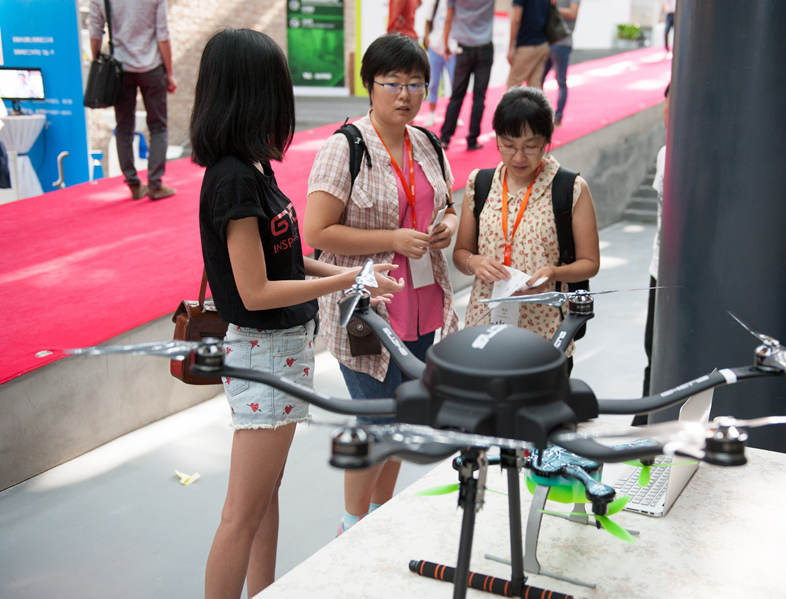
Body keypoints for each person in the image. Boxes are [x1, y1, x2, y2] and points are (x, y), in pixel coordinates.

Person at [191, 29, 400, 599]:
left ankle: (264, 590)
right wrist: (348, 280)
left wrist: (349, 277)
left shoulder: (255, 168)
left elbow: (287, 258)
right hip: (262, 352)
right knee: (241, 512)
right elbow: (255, 291)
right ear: (252, 93)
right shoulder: (233, 178)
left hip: (282, 350)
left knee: (264, 498)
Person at [304, 34, 459, 535]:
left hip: (422, 303)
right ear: (370, 86)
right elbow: (317, 231)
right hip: (365, 308)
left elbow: (450, 206)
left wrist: (446, 227)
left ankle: (380, 515)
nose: (405, 94)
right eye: (392, 83)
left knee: (406, 417)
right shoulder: (345, 146)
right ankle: (351, 526)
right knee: (375, 422)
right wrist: (391, 236)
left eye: (416, 83)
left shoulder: (427, 143)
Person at [452, 86, 599, 371]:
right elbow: (460, 253)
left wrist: (555, 273)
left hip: (545, 333)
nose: (518, 157)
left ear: (547, 141)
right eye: (508, 144)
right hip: (486, 326)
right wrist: (475, 261)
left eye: (530, 146)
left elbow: (590, 263)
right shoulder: (480, 184)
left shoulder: (569, 188)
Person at [88, 0, 176, 200]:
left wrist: (97, 63)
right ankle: (155, 184)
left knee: (124, 127)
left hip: (120, 68)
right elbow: (163, 35)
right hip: (152, 66)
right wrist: (169, 72)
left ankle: (134, 183)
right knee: (158, 126)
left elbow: (95, 32)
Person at [638, 83, 670, 424]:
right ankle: (646, 420)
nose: (669, 112)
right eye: (667, 103)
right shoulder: (664, 153)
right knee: (654, 351)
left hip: (692, 279)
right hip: (659, 270)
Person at [439, 0, 496, 151]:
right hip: (485, 47)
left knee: (457, 95)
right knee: (479, 97)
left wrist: (445, 44)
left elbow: (449, 17)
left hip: (464, 48)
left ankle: (445, 138)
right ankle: (472, 139)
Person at [541, 0, 579, 127]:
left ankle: (558, 116)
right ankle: (541, 113)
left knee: (561, 80)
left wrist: (552, 7)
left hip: (562, 42)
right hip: (548, 41)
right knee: (538, 79)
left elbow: (573, 13)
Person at [421, 0, 458, 127]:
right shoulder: (434, 2)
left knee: (455, 83)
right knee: (434, 82)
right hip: (435, 47)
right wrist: (427, 39)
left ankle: (454, 114)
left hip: (452, 48)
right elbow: (427, 21)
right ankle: (431, 113)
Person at [507, 0, 550, 89]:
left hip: (527, 45)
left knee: (513, 85)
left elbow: (516, 19)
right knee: (535, 86)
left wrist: (511, 46)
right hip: (543, 43)